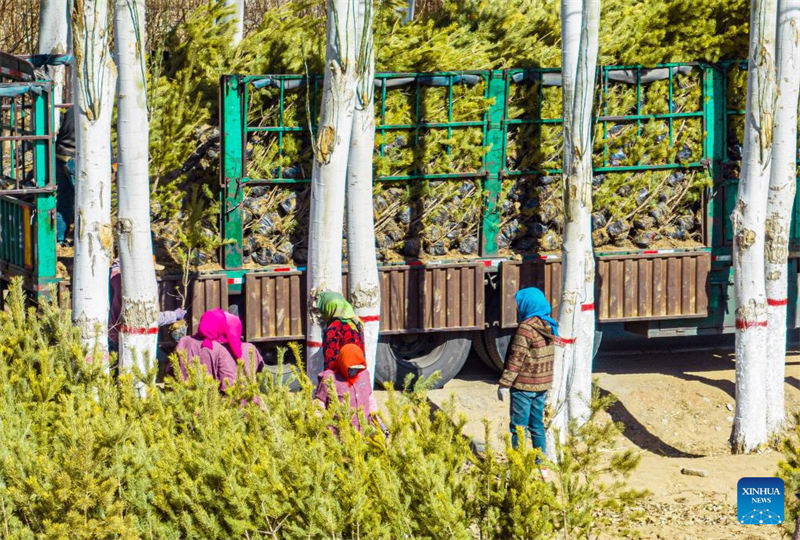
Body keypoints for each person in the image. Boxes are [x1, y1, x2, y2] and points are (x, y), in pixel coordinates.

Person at [497, 287, 558, 465]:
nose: (517, 308)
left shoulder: (526, 328)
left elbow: (516, 358)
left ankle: (519, 466)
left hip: (523, 387)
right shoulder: (549, 325)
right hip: (542, 386)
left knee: (518, 428)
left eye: (519, 304)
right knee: (537, 426)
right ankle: (542, 464)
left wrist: (504, 384)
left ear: (527, 305)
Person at [108, 258, 185, 355]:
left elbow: (116, 269)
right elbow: (149, 318)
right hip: (132, 339)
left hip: (114, 336)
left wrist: (123, 260)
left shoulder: (117, 280)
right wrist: (174, 315)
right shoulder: (138, 290)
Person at [314, 343, 387, 434]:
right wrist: (322, 430)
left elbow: (370, 401)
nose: (354, 372)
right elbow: (318, 405)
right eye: (351, 368)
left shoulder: (364, 375)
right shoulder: (329, 378)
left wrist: (381, 425)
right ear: (343, 363)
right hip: (338, 436)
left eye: (357, 368)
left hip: (363, 434)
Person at [318, 291, 364, 372]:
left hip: (341, 375)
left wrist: (327, 377)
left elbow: (330, 361)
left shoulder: (334, 328)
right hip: (358, 373)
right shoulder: (356, 324)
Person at [54, 107, 75, 245]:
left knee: (63, 200)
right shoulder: (98, 111)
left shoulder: (72, 109)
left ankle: (59, 239)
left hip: (60, 154)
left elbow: (62, 132)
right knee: (88, 200)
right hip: (76, 156)